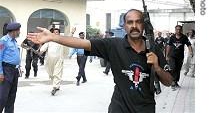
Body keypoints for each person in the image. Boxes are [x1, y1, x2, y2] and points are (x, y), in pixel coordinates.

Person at [27, 9, 173, 113]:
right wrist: (53, 37)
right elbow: (83, 43)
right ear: (124, 26)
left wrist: (157, 67)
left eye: (138, 22)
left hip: (146, 108)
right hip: (119, 108)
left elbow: (168, 81)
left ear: (143, 25)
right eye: (130, 22)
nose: (134, 26)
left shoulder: (153, 49)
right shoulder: (113, 45)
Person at [0, 22, 21, 113]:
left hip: (14, 70)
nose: (20, 32)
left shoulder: (14, 41)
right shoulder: (3, 40)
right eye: (18, 31)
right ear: (14, 31)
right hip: (6, 70)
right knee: (3, 96)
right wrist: (0, 72)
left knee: (12, 96)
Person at [165, 25, 193, 90]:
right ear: (175, 30)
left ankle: (176, 81)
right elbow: (168, 46)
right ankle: (172, 82)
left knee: (178, 69)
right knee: (173, 67)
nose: (178, 31)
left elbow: (189, 45)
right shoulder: (172, 37)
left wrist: (191, 52)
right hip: (172, 56)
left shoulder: (184, 37)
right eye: (177, 30)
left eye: (180, 30)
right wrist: (167, 55)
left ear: (181, 30)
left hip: (180, 56)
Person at [39, 28, 64, 95]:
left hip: (59, 59)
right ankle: (56, 85)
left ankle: (55, 87)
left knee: (57, 73)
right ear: (52, 33)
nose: (56, 33)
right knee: (51, 73)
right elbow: (44, 47)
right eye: (55, 32)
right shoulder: (49, 41)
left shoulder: (61, 40)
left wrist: (72, 33)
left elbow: (69, 39)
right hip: (50, 60)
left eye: (57, 32)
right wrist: (41, 51)